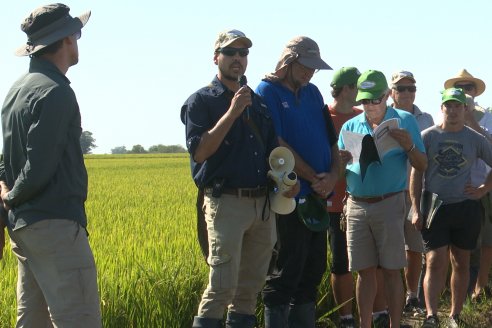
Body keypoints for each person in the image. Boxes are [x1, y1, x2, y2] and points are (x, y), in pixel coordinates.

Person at [180, 29, 298, 328]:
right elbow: (200, 152)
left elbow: (274, 152)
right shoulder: (201, 101)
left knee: (249, 291)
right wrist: (232, 113)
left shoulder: (258, 104)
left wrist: (287, 182)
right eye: (231, 52)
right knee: (221, 286)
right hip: (226, 204)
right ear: (216, 57)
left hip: (261, 205)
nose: (237, 58)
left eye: (243, 53)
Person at [0, 3, 101, 327]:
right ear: (68, 39)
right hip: (55, 225)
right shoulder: (56, 92)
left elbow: (6, 161)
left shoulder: (16, 91)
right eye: (77, 33)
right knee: (79, 319)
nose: (78, 40)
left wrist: (10, 204)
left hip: (24, 229)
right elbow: (39, 167)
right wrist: (11, 197)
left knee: (32, 321)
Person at [255, 36, 340, 327]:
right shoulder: (267, 90)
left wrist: (332, 176)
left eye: (313, 67)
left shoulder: (314, 93)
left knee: (313, 270)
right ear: (288, 62)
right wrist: (311, 176)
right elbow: (275, 142)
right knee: (285, 272)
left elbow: (332, 141)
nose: (309, 72)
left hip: (318, 194)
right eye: (305, 65)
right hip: (289, 197)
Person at [338, 70, 427, 328]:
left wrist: (408, 145)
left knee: (391, 269)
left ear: (387, 96)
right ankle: (365, 324)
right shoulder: (349, 126)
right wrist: (340, 161)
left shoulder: (404, 120)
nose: (369, 106)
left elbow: (422, 164)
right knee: (364, 272)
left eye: (375, 100)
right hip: (356, 204)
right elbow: (338, 168)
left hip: (389, 203)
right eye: (364, 101)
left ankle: (395, 324)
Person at [410, 87, 492, 328]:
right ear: (442, 107)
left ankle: (455, 315)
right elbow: (416, 174)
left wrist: (483, 189)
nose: (453, 110)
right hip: (434, 205)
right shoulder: (428, 136)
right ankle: (431, 315)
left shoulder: (475, 139)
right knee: (435, 261)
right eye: (449, 106)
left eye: (458, 106)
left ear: (465, 109)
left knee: (461, 261)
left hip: (465, 207)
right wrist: (416, 208)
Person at [444, 69, 492, 301]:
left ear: (476, 93)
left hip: (484, 186)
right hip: (457, 189)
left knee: (486, 241)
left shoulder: (488, 116)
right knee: (457, 247)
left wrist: (471, 118)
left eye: (469, 88)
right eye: (460, 88)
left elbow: (489, 148)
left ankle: (478, 289)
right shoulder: (447, 115)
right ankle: (455, 294)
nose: (465, 92)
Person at [390, 70, 434, 313]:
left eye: (411, 88)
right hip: (390, 192)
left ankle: (412, 296)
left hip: (417, 192)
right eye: (402, 88)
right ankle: (391, 297)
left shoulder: (426, 119)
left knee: (415, 247)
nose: (407, 93)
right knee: (390, 248)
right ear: (392, 92)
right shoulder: (384, 117)